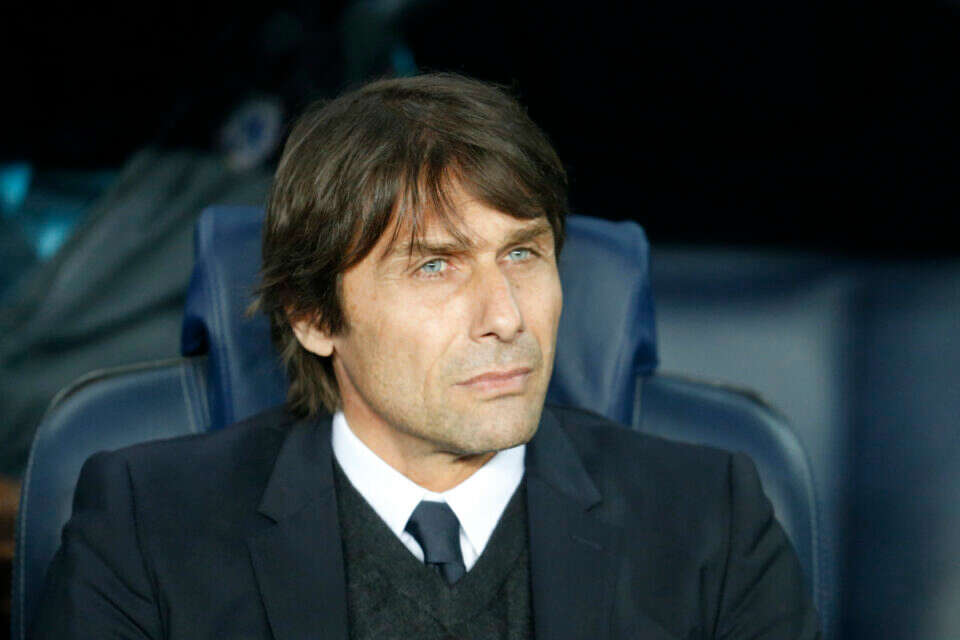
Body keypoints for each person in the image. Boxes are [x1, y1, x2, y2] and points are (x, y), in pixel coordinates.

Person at [33, 73, 820, 639]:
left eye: (523, 254)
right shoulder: (146, 527)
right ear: (313, 315)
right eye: (435, 266)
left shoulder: (710, 518)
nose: (505, 317)